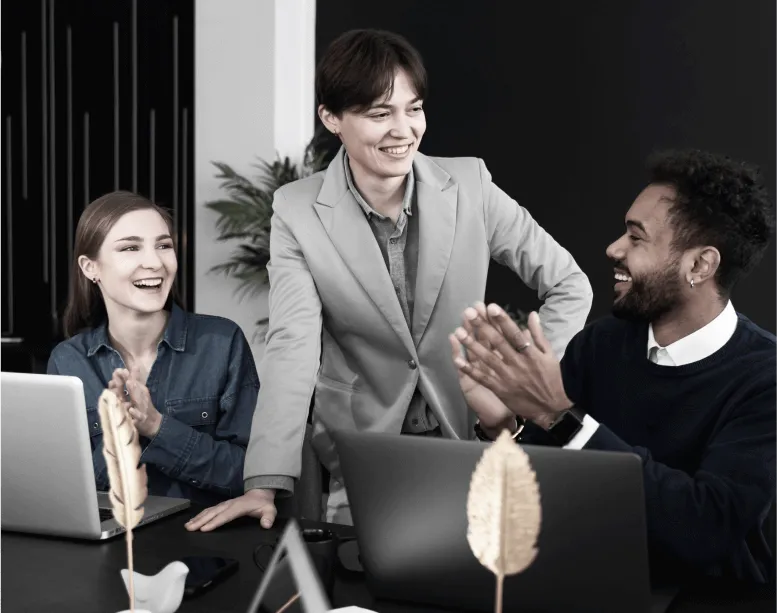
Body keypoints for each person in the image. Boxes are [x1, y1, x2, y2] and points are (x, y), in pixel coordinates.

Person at [185, 28, 592, 531]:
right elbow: (293, 345)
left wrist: (518, 383)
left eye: (413, 108)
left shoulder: (471, 184)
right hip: (361, 450)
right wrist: (263, 483)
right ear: (332, 119)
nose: (404, 129)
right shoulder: (296, 210)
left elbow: (569, 284)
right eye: (380, 114)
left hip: (470, 436)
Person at [450, 149, 777, 584]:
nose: (613, 248)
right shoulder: (601, 344)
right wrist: (503, 426)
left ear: (700, 265)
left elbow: (703, 528)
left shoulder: (765, 379)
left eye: (636, 238)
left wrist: (559, 415)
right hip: (588, 588)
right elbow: (540, 490)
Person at [47, 191, 260, 506]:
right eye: (130, 248)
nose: (155, 262)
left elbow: (251, 474)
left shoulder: (222, 342)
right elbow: (61, 488)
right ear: (91, 267)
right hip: (115, 535)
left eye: (164, 246)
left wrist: (158, 428)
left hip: (202, 534)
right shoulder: (68, 361)